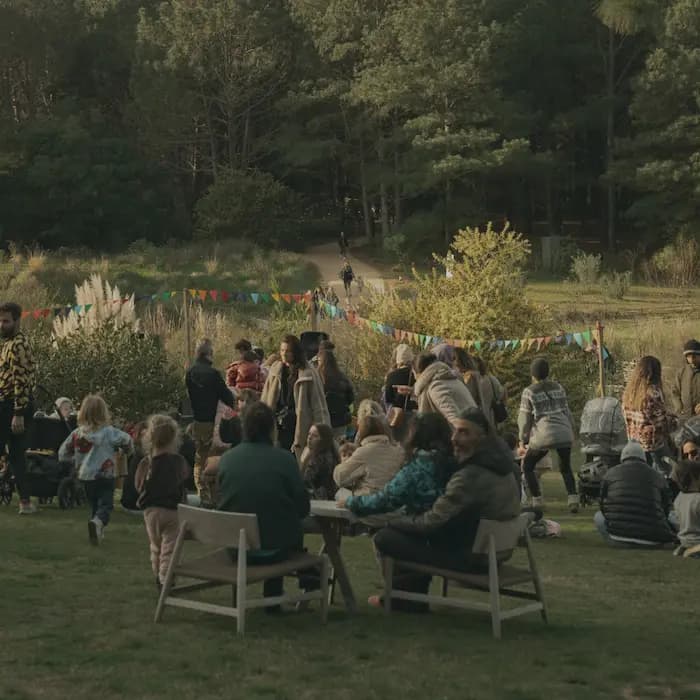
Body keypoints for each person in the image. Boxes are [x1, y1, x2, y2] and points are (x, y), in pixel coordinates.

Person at [371, 408, 521, 610]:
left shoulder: (470, 475)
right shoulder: (505, 467)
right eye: (455, 431)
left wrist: (391, 521)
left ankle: (403, 600)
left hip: (472, 556)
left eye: (463, 432)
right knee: (414, 531)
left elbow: (430, 522)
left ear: (482, 437)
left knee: (386, 537)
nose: (454, 439)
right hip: (496, 550)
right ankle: (407, 599)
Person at [217, 402, 315, 607]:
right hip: (276, 550)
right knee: (282, 527)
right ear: (272, 429)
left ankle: (276, 596)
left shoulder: (227, 460)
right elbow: (303, 508)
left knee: (272, 524)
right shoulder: (285, 460)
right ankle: (278, 593)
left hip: (235, 547)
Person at [339, 412, 455, 520]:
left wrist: (351, 502)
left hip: (421, 524)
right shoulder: (454, 463)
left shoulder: (417, 468)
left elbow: (387, 499)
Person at [58, 395, 133, 544]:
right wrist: (126, 451)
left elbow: (62, 453)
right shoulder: (109, 432)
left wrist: (74, 461)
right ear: (104, 413)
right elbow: (127, 440)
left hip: (85, 476)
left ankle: (97, 530)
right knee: (106, 504)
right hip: (105, 475)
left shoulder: (77, 434)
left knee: (94, 505)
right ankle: (98, 523)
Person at [134, 415, 190, 588]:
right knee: (170, 548)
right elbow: (184, 477)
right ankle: (166, 579)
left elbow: (138, 484)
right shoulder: (179, 461)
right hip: (172, 511)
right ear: (174, 438)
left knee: (156, 546)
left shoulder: (146, 462)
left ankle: (157, 572)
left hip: (150, 511)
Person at [518, 357, 579, 512]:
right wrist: (572, 431)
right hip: (564, 432)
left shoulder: (529, 391)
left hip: (543, 435)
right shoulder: (558, 387)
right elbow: (567, 411)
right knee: (565, 466)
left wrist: (523, 438)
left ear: (532, 374)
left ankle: (537, 500)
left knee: (528, 466)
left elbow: (524, 419)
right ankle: (573, 499)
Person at [260, 334, 330, 461]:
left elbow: (318, 404)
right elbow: (266, 397)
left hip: (299, 424)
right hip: (277, 424)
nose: (284, 354)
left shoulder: (308, 373)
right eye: (282, 350)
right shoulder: (276, 370)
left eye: (288, 351)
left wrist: (321, 429)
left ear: (295, 352)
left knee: (297, 460)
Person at [594, 441, 676, 548]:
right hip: (653, 539)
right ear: (643, 457)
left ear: (623, 457)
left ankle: (617, 540)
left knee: (598, 516)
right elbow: (667, 508)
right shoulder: (657, 476)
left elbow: (602, 504)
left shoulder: (610, 473)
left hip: (618, 538)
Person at [185, 338, 235, 497]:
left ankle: (202, 490)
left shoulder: (190, 372)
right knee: (213, 458)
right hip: (213, 421)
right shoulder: (213, 374)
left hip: (197, 420)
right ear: (209, 354)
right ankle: (212, 493)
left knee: (199, 458)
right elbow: (226, 396)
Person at [0, 301, 36, 514]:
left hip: (13, 406)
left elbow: (21, 380)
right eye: (0, 321)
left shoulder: (19, 344)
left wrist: (18, 413)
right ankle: (24, 502)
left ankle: (25, 502)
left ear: (17, 321)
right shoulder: (5, 343)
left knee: (16, 454)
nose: (2, 325)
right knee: (15, 456)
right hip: (4, 403)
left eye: (6, 321)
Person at [622, 355, 677, 473]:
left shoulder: (629, 394)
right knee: (670, 473)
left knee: (642, 476)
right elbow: (661, 423)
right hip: (654, 444)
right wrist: (675, 420)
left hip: (634, 444)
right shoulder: (653, 393)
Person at [333, 415, 404, 498]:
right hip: (393, 499)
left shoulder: (363, 452)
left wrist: (344, 462)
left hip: (369, 499)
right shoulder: (398, 451)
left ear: (360, 433)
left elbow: (340, 477)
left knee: (340, 493)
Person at [409, 352, 476, 426]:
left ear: (419, 373)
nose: (415, 378)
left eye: (414, 373)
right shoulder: (450, 379)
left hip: (467, 433)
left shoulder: (436, 387)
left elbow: (454, 420)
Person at [317, 341, 354, 439]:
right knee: (338, 447)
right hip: (340, 419)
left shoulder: (317, 377)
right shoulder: (341, 377)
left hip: (322, 419)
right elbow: (351, 397)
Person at [384, 344, 418, 442]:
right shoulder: (417, 374)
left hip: (396, 417)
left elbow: (388, 398)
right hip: (414, 415)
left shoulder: (391, 375)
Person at [300, 423, 340, 500]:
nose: (309, 437)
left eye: (315, 436)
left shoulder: (321, 459)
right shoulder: (313, 453)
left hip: (320, 499)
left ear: (324, 440)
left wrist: (305, 460)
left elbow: (305, 481)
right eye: (309, 434)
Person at [671, 459, 700, 558]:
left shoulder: (679, 498)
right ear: (694, 478)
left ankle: (685, 550)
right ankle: (691, 551)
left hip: (684, 542)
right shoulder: (698, 499)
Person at [474, 355, 507, 428]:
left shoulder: (474, 382)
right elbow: (502, 393)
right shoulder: (492, 378)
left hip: (480, 419)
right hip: (493, 417)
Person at [672, 339, 700, 421]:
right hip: (685, 418)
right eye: (688, 357)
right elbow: (675, 392)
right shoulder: (681, 372)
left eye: (694, 356)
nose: (692, 360)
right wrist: (679, 407)